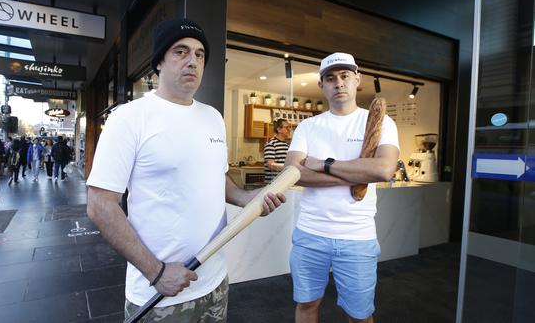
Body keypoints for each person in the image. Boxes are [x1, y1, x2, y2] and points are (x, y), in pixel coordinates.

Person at [86, 18, 286, 323]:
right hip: (161, 292)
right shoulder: (129, 117)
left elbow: (217, 177)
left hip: (215, 280)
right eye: (180, 52)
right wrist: (156, 272)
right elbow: (100, 205)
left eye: (199, 54)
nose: (192, 60)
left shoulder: (213, 117)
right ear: (159, 64)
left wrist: (248, 198)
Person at [284, 52, 400, 323]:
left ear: (357, 80)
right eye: (331, 78)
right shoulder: (308, 126)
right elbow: (293, 173)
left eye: (345, 76)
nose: (339, 83)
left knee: (359, 315)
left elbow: (383, 169)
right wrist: (358, 172)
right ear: (321, 85)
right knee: (306, 305)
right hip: (310, 234)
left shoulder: (381, 123)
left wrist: (322, 164)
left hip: (357, 237)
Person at [263, 118, 292, 183]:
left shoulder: (287, 145)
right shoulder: (271, 143)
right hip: (273, 184)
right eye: (287, 127)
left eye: (290, 127)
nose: (289, 130)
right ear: (279, 129)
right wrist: (289, 167)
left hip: (285, 182)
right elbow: (271, 165)